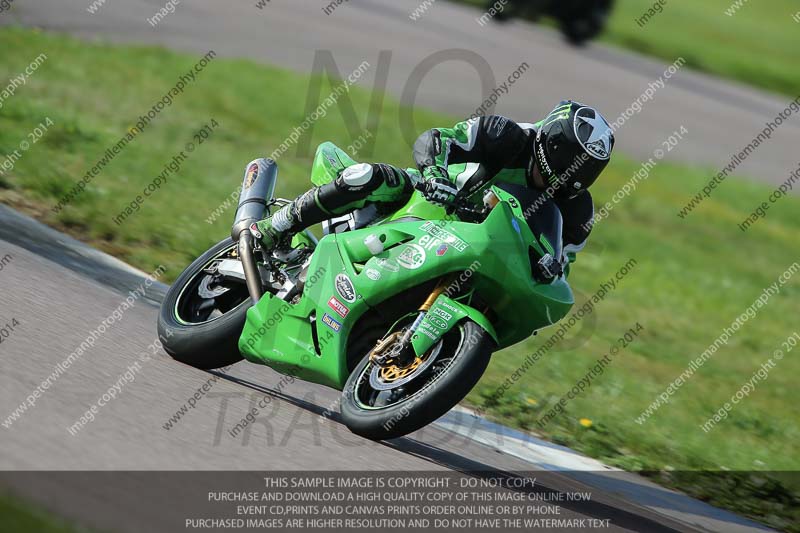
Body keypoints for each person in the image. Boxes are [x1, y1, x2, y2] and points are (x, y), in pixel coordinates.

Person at [254, 100, 614, 280]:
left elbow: (560, 264)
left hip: (476, 249)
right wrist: (435, 172)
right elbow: (439, 138)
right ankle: (274, 229)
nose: (564, 176)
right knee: (367, 176)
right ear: (548, 142)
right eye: (566, 161)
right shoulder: (507, 136)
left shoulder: (578, 211)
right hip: (431, 201)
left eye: (583, 167)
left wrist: (549, 269)